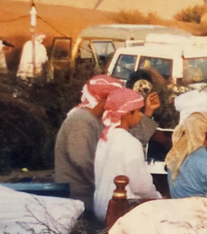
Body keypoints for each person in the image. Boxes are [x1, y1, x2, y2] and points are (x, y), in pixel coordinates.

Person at [54, 75, 124, 214]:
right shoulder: (81, 120)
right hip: (78, 199)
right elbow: (83, 161)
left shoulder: (94, 119)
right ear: (104, 99)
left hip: (88, 196)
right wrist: (107, 186)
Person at [93, 88, 161, 221]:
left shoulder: (105, 138)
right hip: (121, 210)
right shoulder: (130, 142)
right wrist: (158, 198)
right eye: (139, 111)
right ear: (126, 114)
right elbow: (141, 186)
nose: (141, 115)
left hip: (101, 207)